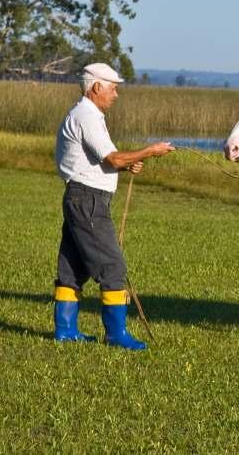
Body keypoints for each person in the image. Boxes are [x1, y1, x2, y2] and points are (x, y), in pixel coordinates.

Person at [53, 62, 175, 350]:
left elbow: (100, 161)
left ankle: (66, 331)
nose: (116, 94)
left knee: (72, 266)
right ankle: (116, 335)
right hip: (88, 200)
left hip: (80, 198)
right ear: (96, 87)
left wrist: (126, 164)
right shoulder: (87, 116)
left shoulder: (88, 114)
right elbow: (113, 159)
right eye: (113, 88)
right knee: (113, 267)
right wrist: (150, 151)